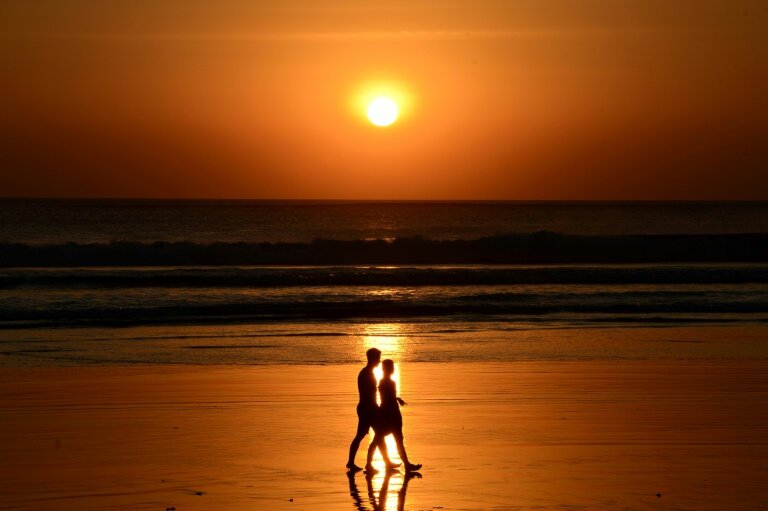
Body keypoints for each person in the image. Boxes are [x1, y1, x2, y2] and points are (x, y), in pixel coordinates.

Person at [347, 348, 397, 473]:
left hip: (369, 408)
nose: (379, 361)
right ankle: (355, 463)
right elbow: (368, 395)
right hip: (367, 409)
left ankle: (385, 462)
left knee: (378, 435)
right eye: (378, 358)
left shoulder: (368, 372)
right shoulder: (366, 374)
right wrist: (376, 409)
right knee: (363, 436)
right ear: (372, 358)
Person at [368, 359, 422, 472]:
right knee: (380, 439)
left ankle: (406, 464)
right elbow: (387, 399)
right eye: (391, 367)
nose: (393, 369)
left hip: (389, 413)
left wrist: (397, 398)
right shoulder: (387, 382)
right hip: (389, 414)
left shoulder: (385, 382)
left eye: (393, 367)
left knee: (390, 439)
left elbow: (388, 396)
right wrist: (394, 403)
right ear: (386, 369)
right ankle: (369, 464)